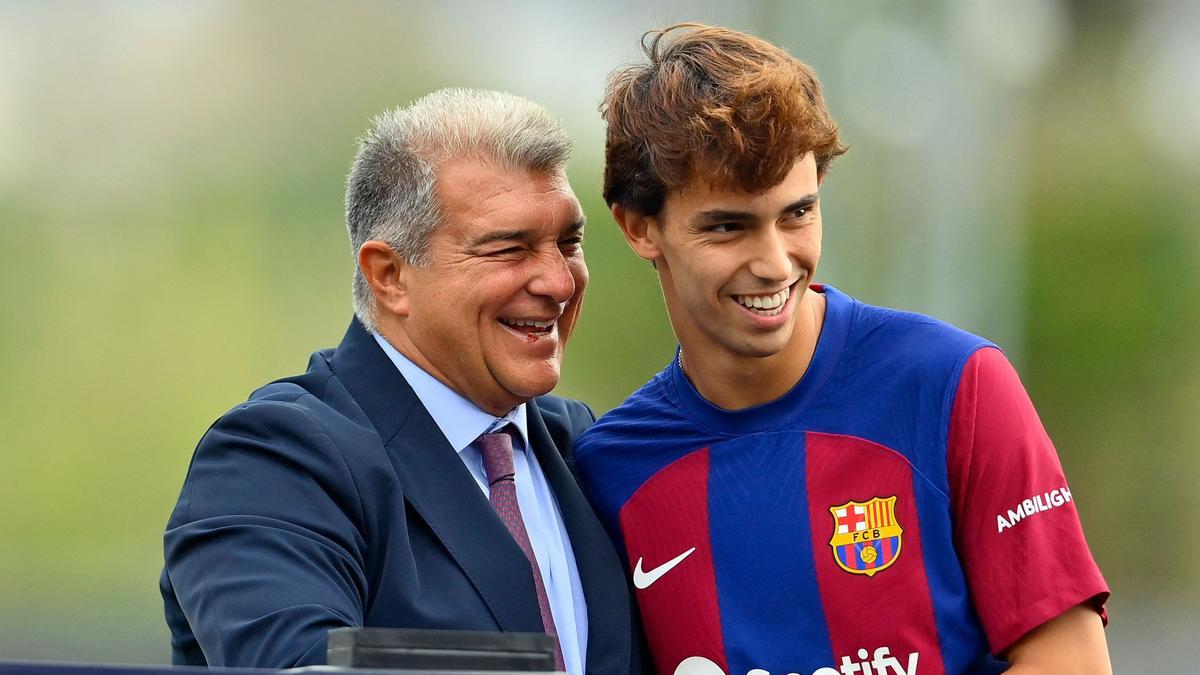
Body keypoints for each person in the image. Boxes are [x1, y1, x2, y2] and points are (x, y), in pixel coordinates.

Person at [574, 24, 1111, 675]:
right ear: (639, 227)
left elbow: (1071, 661)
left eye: (796, 213)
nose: (774, 263)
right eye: (727, 226)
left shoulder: (954, 386)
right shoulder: (609, 468)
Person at [160, 88, 639, 673]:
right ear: (389, 275)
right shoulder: (273, 459)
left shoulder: (592, 450)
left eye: (569, 243)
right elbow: (299, 663)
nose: (559, 283)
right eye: (509, 249)